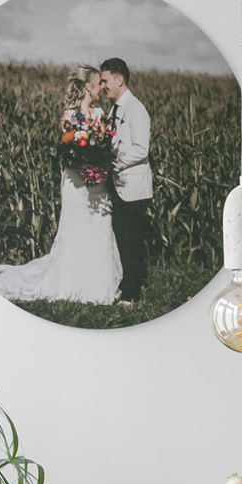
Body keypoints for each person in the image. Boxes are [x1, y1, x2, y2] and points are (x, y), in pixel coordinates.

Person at [0, 64, 122, 305]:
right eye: (98, 84)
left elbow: (106, 142)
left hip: (97, 181)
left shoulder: (100, 114)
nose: (102, 89)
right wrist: (84, 155)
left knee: (99, 227)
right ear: (88, 86)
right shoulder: (70, 115)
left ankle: (98, 284)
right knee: (76, 228)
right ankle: (72, 282)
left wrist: (99, 155)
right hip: (75, 181)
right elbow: (69, 149)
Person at [100, 58, 153, 305]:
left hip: (132, 188)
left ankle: (132, 294)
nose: (102, 86)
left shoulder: (136, 109)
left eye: (105, 80)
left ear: (119, 79)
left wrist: (115, 163)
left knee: (131, 241)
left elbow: (142, 149)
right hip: (119, 186)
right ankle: (127, 283)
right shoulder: (115, 109)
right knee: (122, 238)